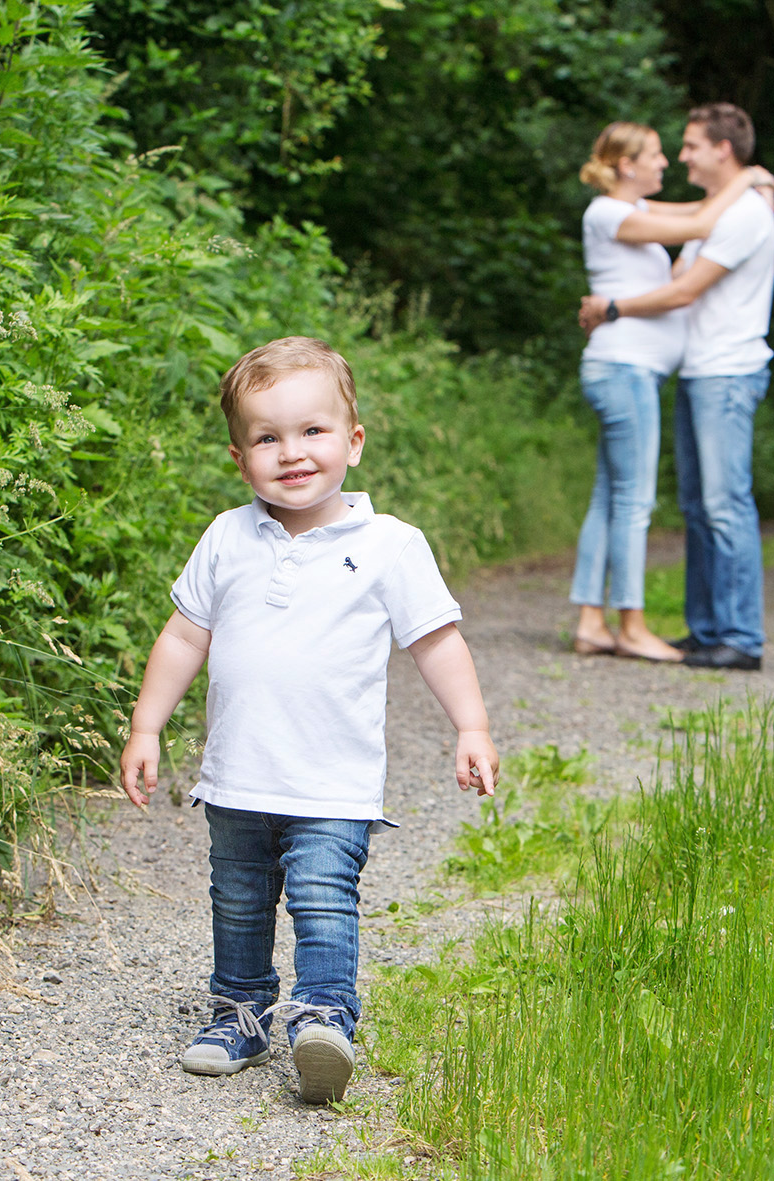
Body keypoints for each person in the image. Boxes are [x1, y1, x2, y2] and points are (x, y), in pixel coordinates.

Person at [118, 336, 500, 1105]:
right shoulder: (228, 536)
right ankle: (240, 1012)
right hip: (238, 775)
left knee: (324, 897)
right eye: (268, 437)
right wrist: (147, 727)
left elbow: (436, 639)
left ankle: (325, 1017)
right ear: (239, 456)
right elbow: (185, 634)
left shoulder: (391, 545)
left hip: (333, 780)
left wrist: (471, 725)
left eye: (313, 431)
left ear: (353, 441)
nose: (292, 453)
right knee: (240, 896)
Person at [580, 103, 774, 672]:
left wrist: (612, 306)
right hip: (697, 371)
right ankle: (708, 628)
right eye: (671, 149)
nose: (680, 155)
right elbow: (684, 238)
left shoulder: (742, 213)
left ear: (724, 149)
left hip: (726, 372)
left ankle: (739, 635)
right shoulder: (716, 211)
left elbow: (684, 290)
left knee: (722, 502)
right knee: (698, 504)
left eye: (690, 145)